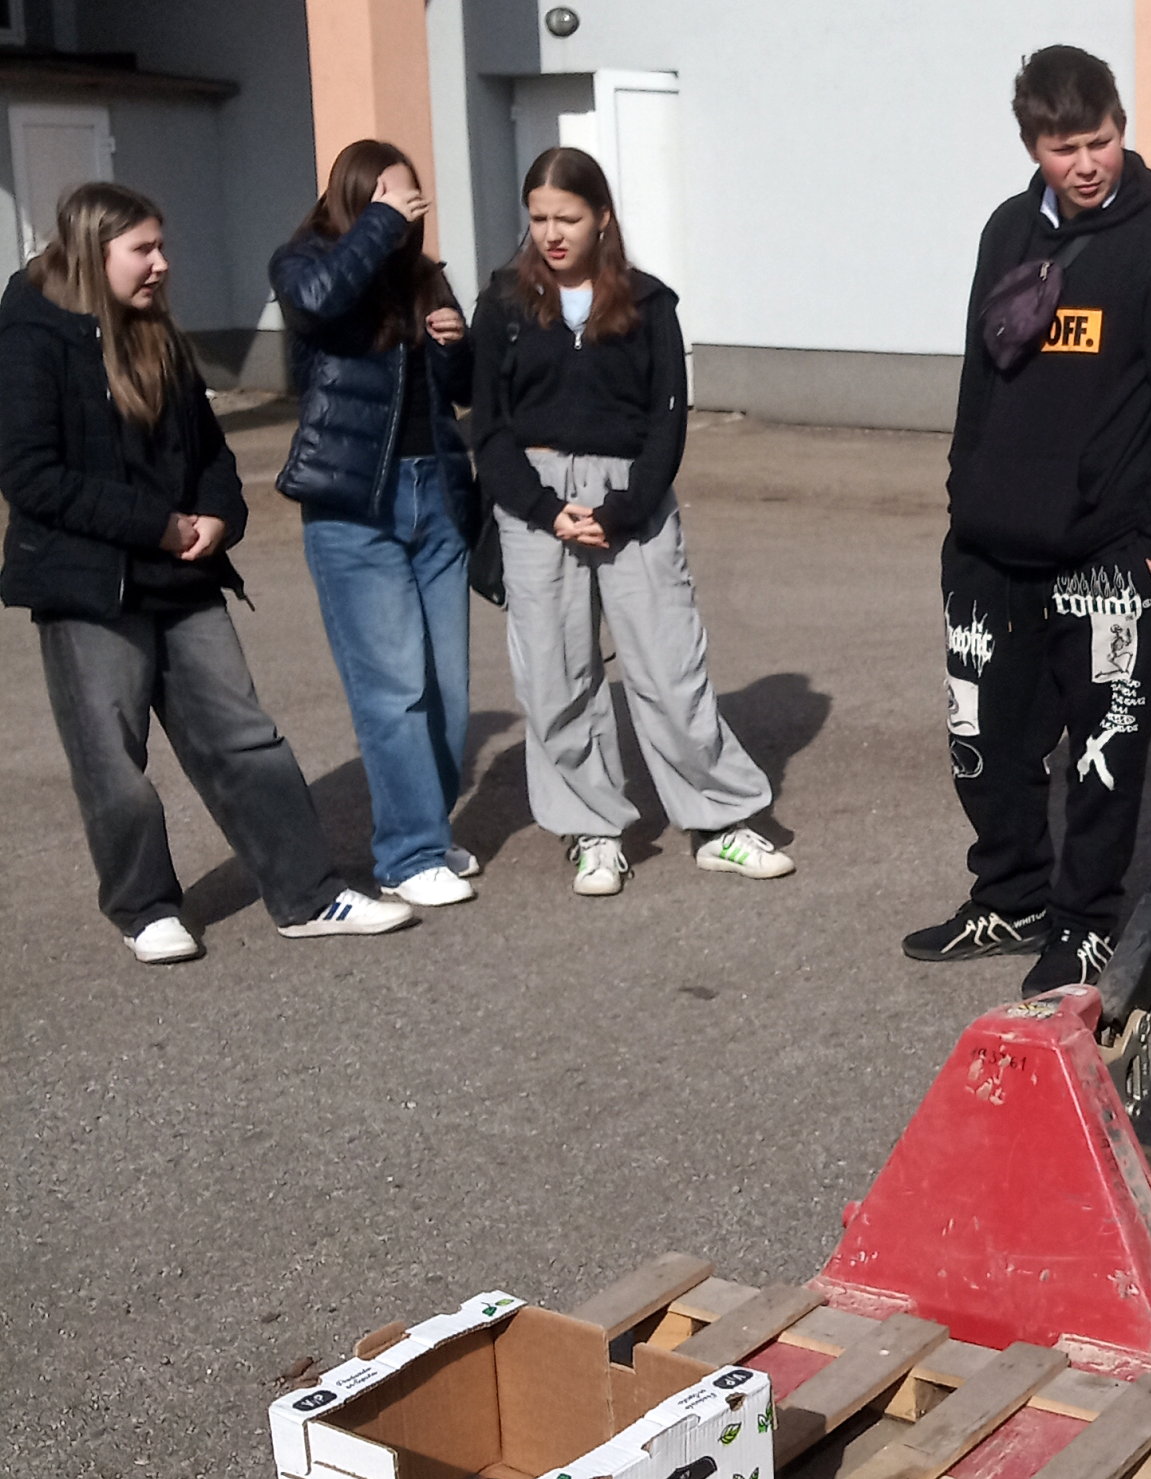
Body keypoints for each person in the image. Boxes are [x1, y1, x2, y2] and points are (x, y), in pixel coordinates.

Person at [0, 183, 412, 960]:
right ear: (93, 253)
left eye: (162, 246)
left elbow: (210, 449)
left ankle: (308, 895)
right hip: (89, 586)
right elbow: (30, 476)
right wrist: (153, 524)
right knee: (112, 760)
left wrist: (220, 514)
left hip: (182, 575)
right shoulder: (29, 333)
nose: (162, 264)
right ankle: (145, 908)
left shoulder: (155, 329)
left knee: (246, 740)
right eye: (143, 250)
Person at [908, 43, 1151, 993]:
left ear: (1121, 127)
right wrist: (965, 499)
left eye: (1101, 140)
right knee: (985, 742)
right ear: (1032, 148)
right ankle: (1010, 897)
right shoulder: (1006, 230)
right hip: (988, 549)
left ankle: (1086, 923)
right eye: (1064, 148)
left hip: (1108, 554)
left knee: (1101, 754)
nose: (1088, 164)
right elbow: (979, 378)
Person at [471, 146, 790, 896]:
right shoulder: (503, 304)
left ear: (602, 218)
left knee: (671, 671)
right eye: (539, 219)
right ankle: (591, 830)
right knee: (555, 677)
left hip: (631, 502)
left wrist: (622, 508)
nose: (552, 234)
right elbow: (489, 428)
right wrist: (545, 509)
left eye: (568, 218)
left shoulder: (650, 304)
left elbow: (666, 422)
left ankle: (720, 821)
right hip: (535, 502)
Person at [271, 139, 480, 909]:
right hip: (354, 505)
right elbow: (319, 304)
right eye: (388, 195)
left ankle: (427, 826)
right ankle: (406, 853)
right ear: (354, 200)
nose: (404, 207)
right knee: (393, 689)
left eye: (410, 196)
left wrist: (455, 346)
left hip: (436, 495)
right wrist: (380, 227)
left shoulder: (424, 277)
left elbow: (459, 392)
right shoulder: (304, 263)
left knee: (447, 691)